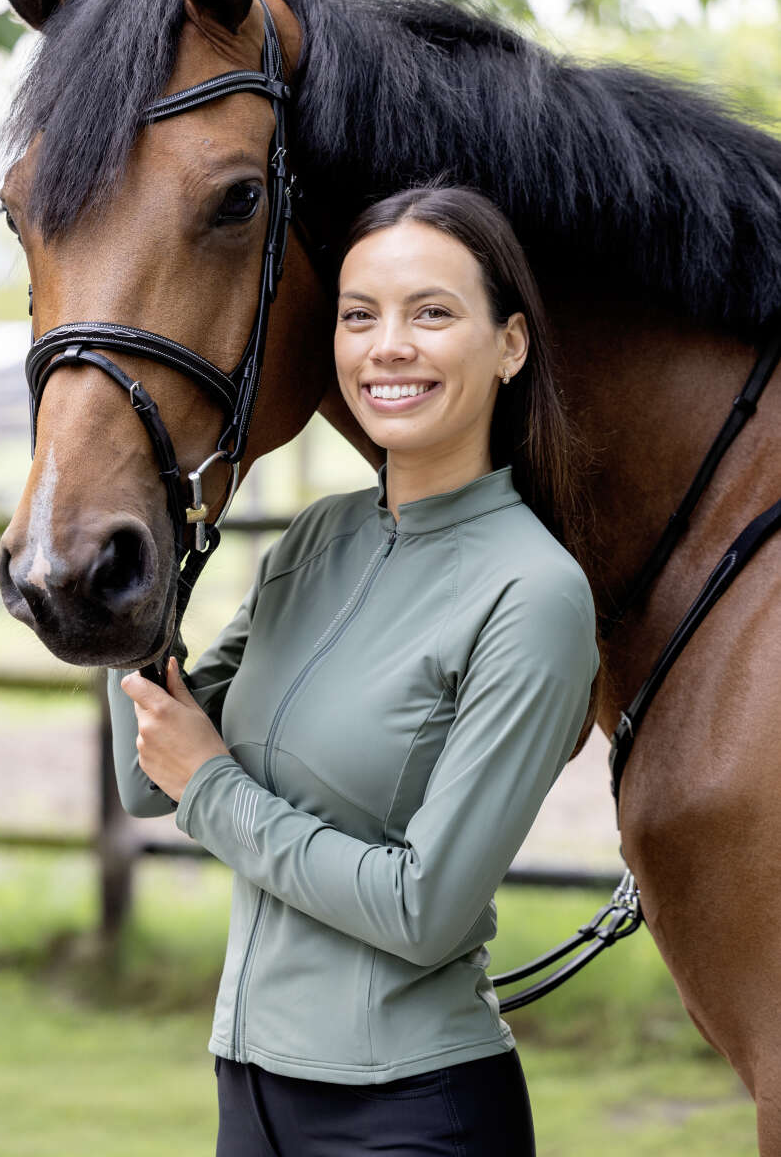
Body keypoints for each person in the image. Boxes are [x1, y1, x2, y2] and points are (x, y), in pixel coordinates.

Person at [109, 182, 599, 1156]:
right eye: (358, 314)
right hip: (246, 1089)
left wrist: (212, 784)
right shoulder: (315, 538)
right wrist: (128, 572)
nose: (387, 345)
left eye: (431, 312)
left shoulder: (531, 592)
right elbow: (141, 779)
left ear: (508, 344)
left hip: (408, 1110)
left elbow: (423, 907)